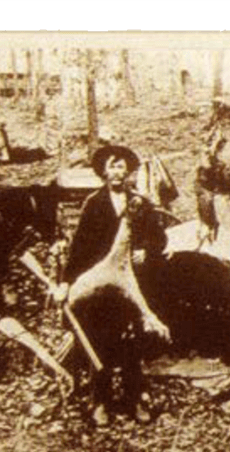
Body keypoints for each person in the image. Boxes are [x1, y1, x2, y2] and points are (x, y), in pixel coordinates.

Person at [54, 144, 169, 426]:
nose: (116, 173)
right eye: (111, 166)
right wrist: (66, 283)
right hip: (99, 288)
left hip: (130, 285)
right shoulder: (94, 204)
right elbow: (79, 249)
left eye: (121, 167)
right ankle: (100, 401)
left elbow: (160, 237)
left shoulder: (139, 203)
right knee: (99, 342)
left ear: (128, 172)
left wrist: (147, 249)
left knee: (130, 344)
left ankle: (134, 399)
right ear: (103, 172)